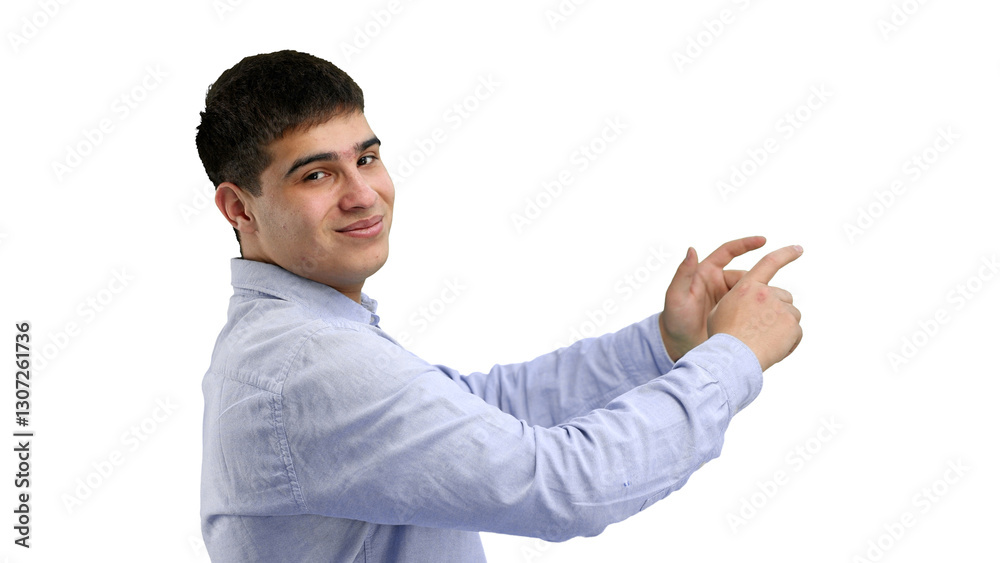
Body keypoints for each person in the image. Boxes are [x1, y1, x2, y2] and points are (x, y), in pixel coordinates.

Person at [196, 49, 803, 562]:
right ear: (239, 208)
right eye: (316, 176)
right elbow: (565, 484)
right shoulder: (310, 361)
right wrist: (733, 357)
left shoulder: (298, 338)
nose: (363, 195)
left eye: (365, 158)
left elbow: (477, 411)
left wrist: (664, 344)